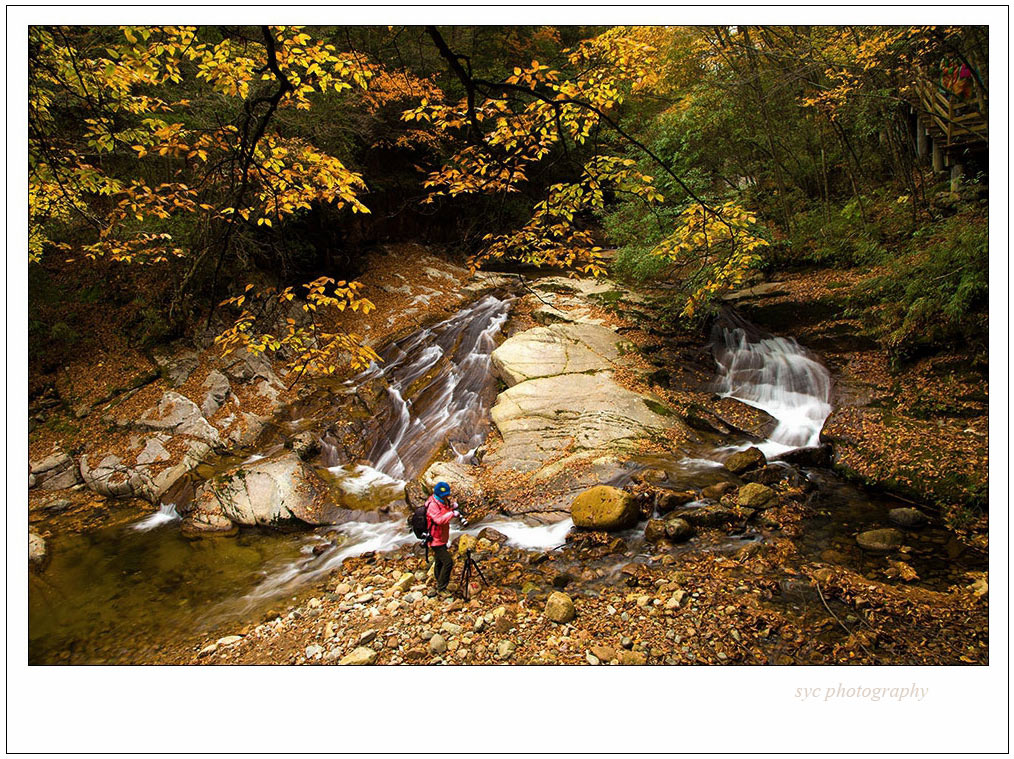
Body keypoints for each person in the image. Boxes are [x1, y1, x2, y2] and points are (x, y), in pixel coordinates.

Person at [425, 481, 461, 595]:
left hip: (442, 536)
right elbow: (438, 520)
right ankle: (441, 587)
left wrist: (452, 508)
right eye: (445, 495)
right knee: (448, 562)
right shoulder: (432, 504)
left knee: (439, 561)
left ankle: (438, 579)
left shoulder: (442, 501)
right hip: (435, 538)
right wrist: (452, 514)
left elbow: (444, 511)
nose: (447, 497)